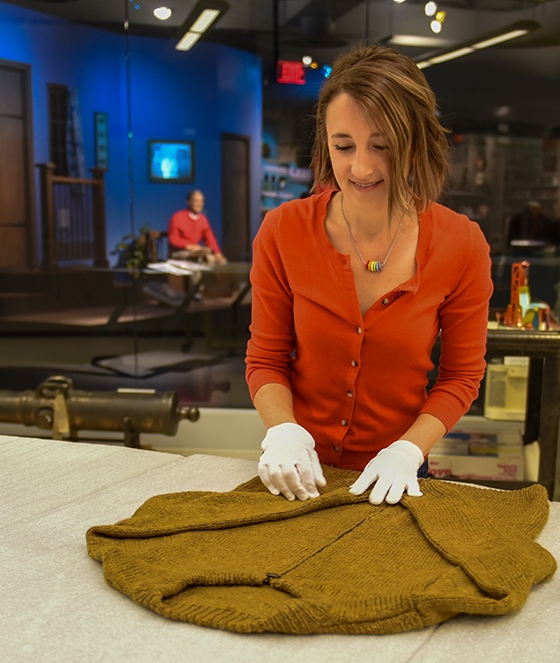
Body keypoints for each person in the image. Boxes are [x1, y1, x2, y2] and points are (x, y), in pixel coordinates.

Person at [245, 45, 492, 505]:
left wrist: (407, 449)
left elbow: (461, 376)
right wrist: (283, 432)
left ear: (415, 142)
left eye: (382, 146)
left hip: (395, 476)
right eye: (344, 146)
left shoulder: (462, 244)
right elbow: (266, 359)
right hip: (301, 474)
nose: (360, 167)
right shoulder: (283, 231)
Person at [167, 189, 227, 265]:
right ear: (188, 202)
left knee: (213, 259)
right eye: (196, 201)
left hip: (196, 251)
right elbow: (173, 239)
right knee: (198, 259)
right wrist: (189, 246)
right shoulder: (177, 217)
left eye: (201, 201)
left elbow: (209, 239)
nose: (199, 204)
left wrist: (217, 253)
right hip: (179, 251)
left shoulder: (203, 219)